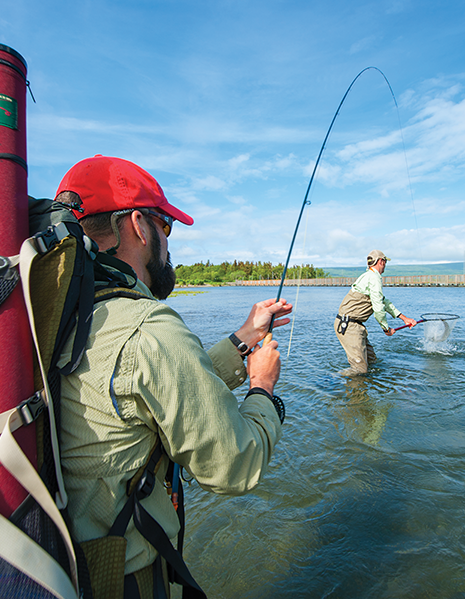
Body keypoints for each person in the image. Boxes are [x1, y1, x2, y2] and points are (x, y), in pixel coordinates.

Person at [53, 155, 293, 598]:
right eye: (166, 227)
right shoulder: (148, 327)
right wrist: (262, 387)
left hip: (61, 566)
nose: (168, 242)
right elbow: (234, 465)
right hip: (120, 578)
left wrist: (244, 338)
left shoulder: (67, 310)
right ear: (139, 226)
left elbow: (153, 387)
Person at [334, 250, 417, 374]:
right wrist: (386, 328)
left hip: (354, 325)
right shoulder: (374, 278)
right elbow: (378, 308)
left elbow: (383, 301)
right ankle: (330, 380)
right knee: (360, 370)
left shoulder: (368, 276)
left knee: (371, 361)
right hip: (349, 326)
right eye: (385, 262)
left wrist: (404, 319)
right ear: (381, 261)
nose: (385, 265)